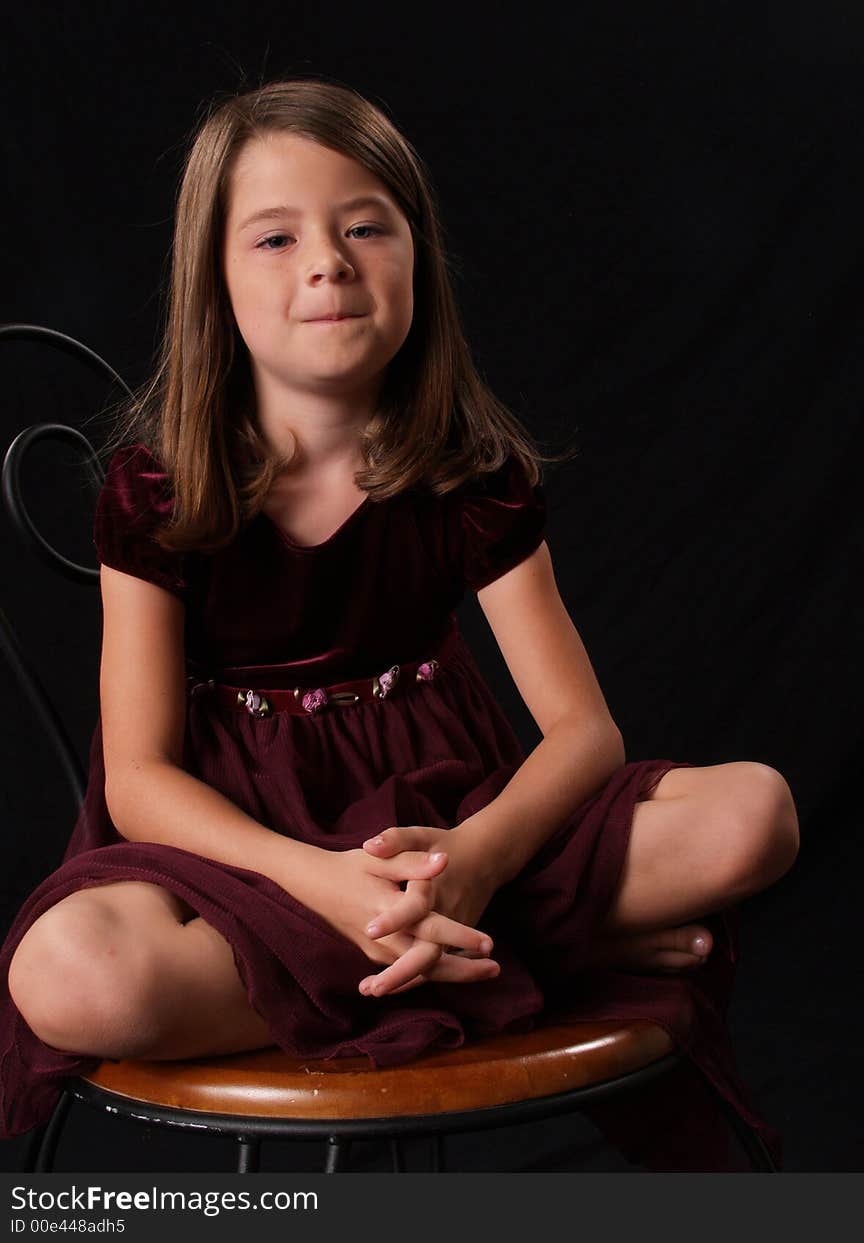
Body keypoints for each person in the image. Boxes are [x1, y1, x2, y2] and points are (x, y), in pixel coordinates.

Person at [0, 77, 799, 1169]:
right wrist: (320, 881)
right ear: (214, 284)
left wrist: (472, 862)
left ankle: (450, 937)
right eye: (275, 238)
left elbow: (583, 733)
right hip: (241, 849)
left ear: (417, 256)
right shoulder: (159, 493)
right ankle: (517, 957)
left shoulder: (470, 478)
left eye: (364, 226)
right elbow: (138, 778)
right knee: (70, 974)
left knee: (753, 812)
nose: (327, 261)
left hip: (446, 823)